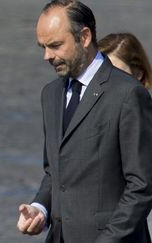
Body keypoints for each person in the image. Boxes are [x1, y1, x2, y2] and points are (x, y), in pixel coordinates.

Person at [17, 1, 152, 242]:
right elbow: (55, 172)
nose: (47, 56)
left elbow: (142, 186)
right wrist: (40, 208)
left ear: (85, 37)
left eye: (55, 45)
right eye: (43, 47)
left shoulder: (128, 94)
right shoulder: (50, 94)